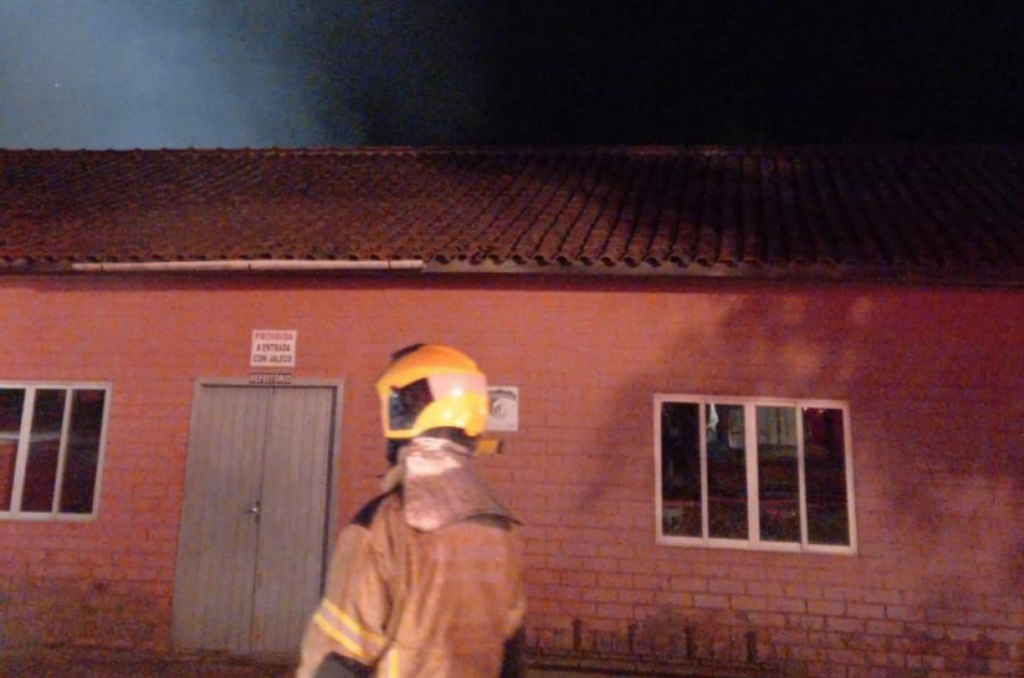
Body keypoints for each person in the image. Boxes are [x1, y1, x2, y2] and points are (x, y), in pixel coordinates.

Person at [296, 344, 526, 678]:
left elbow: (338, 656)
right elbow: (511, 654)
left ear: (412, 412)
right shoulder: (504, 529)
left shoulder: (382, 524)